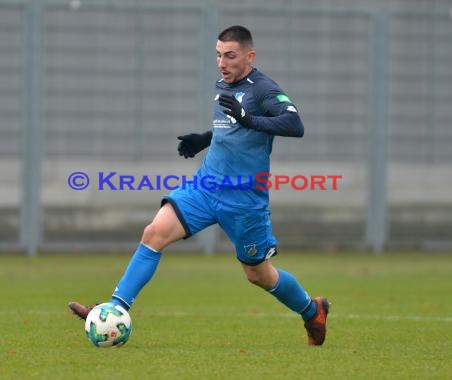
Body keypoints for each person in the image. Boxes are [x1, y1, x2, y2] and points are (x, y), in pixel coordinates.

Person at [69, 25, 329, 346]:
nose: (222, 62)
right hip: (205, 188)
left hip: (244, 200)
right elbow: (231, 126)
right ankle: (114, 309)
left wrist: (250, 119)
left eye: (230, 56)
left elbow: (294, 124)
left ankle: (311, 310)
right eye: (218, 55)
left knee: (258, 274)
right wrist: (204, 139)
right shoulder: (224, 83)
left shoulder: (263, 89)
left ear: (250, 56)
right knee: (153, 234)